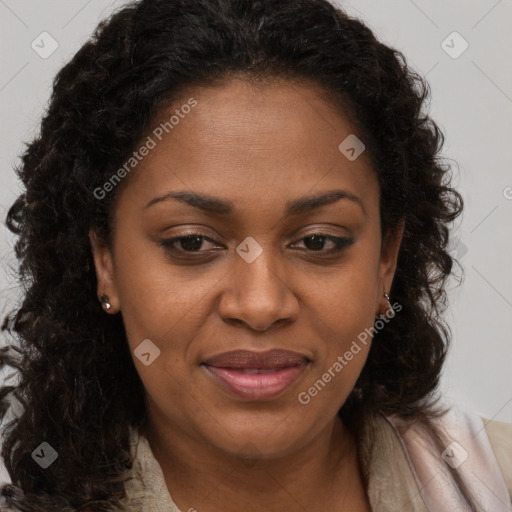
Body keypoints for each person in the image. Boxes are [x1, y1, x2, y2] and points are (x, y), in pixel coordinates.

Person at [0, 0, 510, 510]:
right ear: (105, 261)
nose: (261, 304)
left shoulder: (493, 483)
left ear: (386, 261)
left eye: (318, 241)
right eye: (192, 242)